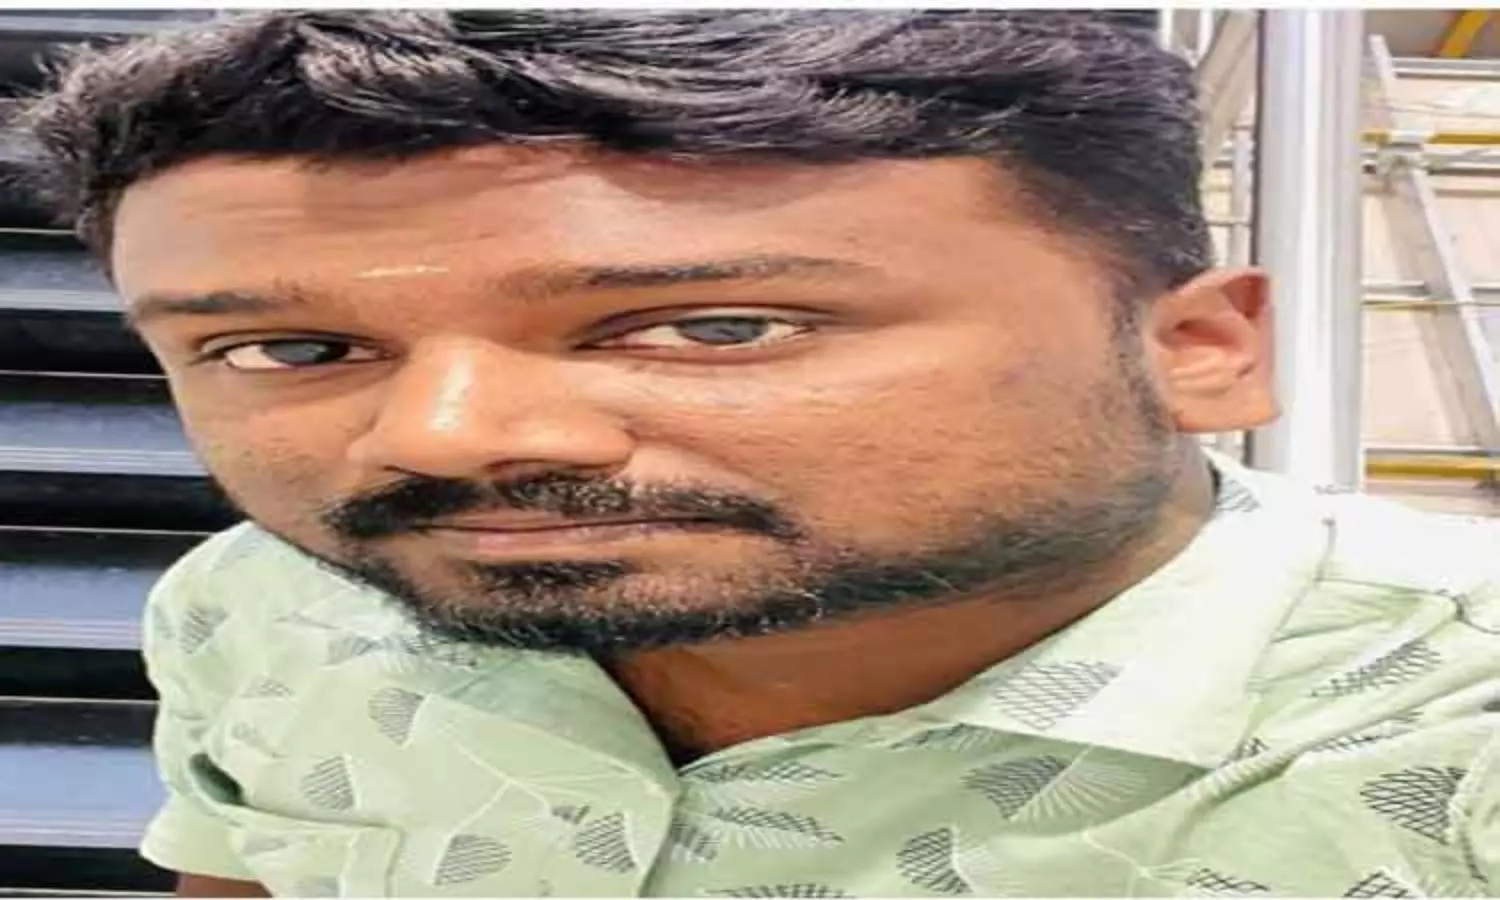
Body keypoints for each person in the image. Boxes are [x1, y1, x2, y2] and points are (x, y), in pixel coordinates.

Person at [11, 9, 1499, 898]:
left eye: (714, 327)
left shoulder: (1451, 757)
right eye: (288, 350)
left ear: (1202, 349)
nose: (441, 439)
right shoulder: (272, 606)